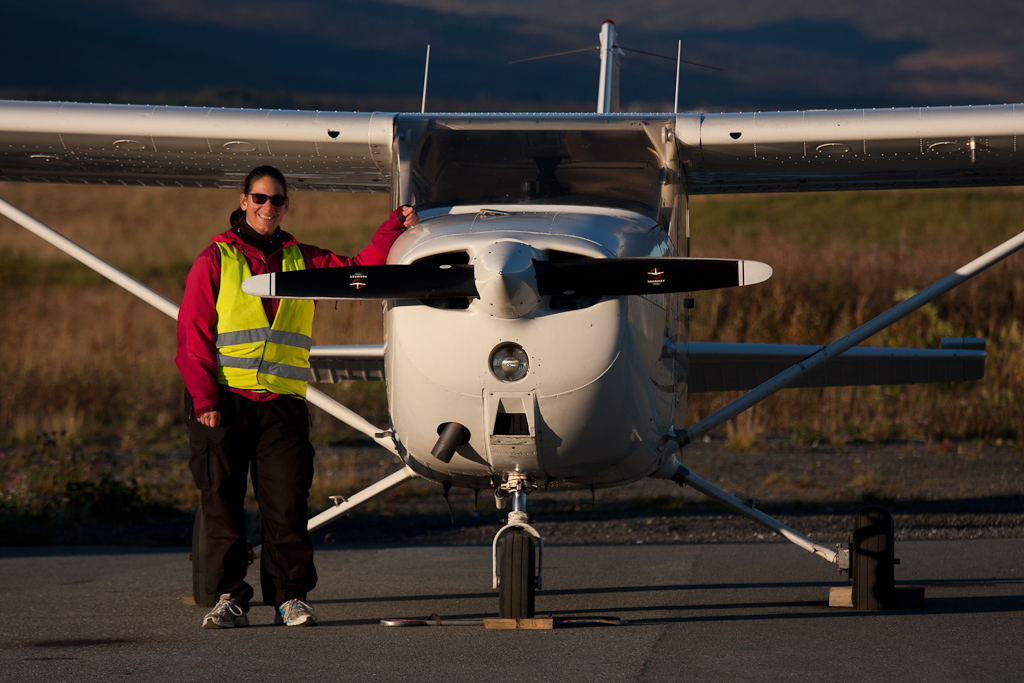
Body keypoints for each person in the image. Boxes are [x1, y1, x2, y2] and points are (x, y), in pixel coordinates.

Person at [176, 165, 417, 629]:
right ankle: (229, 597)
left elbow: (357, 270)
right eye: (261, 199)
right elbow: (193, 335)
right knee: (221, 505)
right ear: (243, 201)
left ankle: (290, 597)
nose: (269, 207)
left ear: (287, 205)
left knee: (286, 505)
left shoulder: (301, 258)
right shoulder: (214, 260)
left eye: (278, 200)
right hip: (223, 402)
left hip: (282, 404)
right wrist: (205, 400)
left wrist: (392, 228)